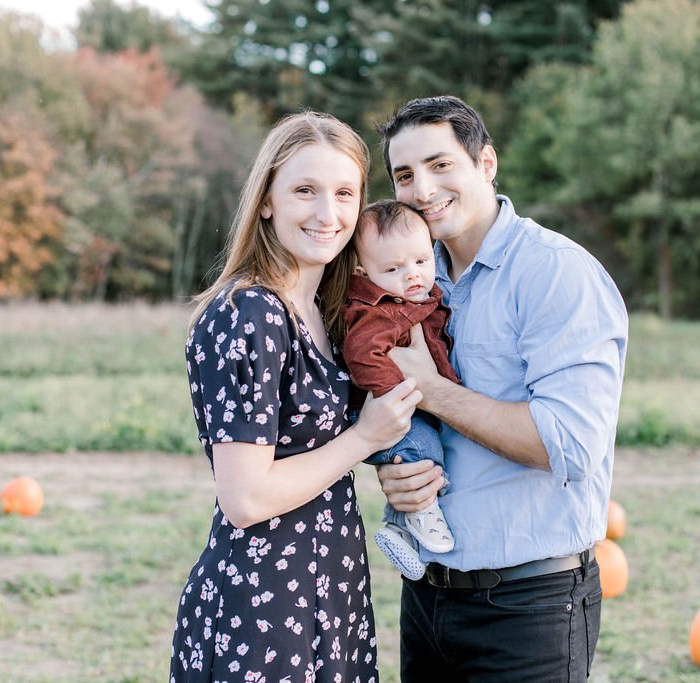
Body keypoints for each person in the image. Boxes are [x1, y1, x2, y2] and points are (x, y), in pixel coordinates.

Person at [375, 96, 628, 682]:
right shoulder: (410, 275)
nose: (423, 189)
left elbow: (568, 443)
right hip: (428, 596)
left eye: (441, 165)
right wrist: (395, 465)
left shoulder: (554, 272)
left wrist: (434, 391)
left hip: (529, 605)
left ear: (486, 163)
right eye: (405, 175)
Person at [170, 111, 422, 683]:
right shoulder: (249, 313)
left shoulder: (322, 313)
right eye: (304, 190)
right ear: (266, 200)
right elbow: (246, 498)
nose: (327, 214)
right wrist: (364, 437)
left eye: (344, 193)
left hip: (329, 590)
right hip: (263, 609)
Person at [342, 199, 461, 580]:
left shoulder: (420, 296)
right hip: (390, 411)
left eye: (422, 262)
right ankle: (422, 515)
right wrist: (401, 398)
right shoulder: (376, 310)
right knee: (422, 453)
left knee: (423, 448)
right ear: (364, 270)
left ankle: (400, 528)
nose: (412, 275)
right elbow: (362, 354)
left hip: (414, 407)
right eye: (394, 268)